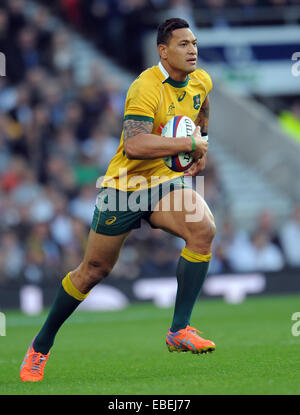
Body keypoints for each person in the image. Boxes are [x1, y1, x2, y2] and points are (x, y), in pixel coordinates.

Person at [20, 17, 216, 382]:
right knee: (93, 270)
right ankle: (40, 346)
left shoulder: (201, 80)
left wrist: (200, 144)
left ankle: (179, 330)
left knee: (203, 230)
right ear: (163, 51)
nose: (192, 50)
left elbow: (201, 109)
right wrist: (189, 144)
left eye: (194, 43)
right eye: (183, 44)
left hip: (164, 182)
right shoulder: (144, 87)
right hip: (123, 187)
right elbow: (135, 144)